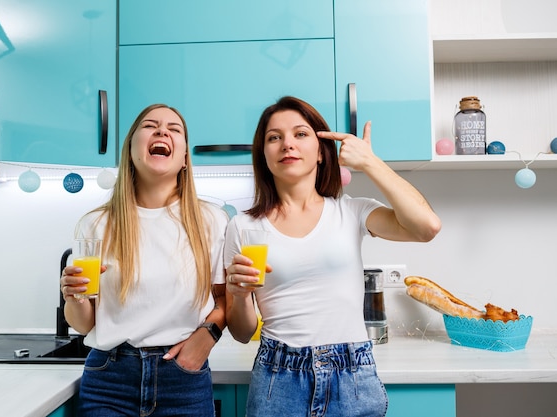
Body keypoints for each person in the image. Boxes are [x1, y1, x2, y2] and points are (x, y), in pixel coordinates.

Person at [224, 96, 441, 417]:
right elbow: (242, 333)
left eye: (300, 134)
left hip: (352, 375)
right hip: (277, 379)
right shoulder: (243, 227)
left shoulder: (352, 211)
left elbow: (427, 227)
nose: (287, 144)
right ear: (264, 155)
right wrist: (240, 296)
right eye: (274, 137)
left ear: (322, 152)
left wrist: (371, 162)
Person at [60, 104, 229, 416]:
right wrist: (74, 296)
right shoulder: (95, 224)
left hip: (183, 380)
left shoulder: (212, 220)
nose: (162, 131)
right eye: (150, 126)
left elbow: (224, 302)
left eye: (174, 129)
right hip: (109, 379)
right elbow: (84, 323)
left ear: (184, 158)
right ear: (131, 148)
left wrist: (207, 338)